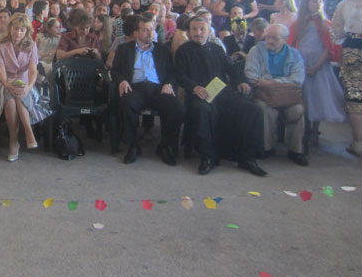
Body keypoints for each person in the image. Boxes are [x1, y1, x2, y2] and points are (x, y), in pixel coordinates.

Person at [174, 16, 266, 177]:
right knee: (202, 110)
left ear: (209, 31)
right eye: (194, 29)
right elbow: (180, 76)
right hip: (199, 95)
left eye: (202, 29)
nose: (198, 32)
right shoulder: (183, 51)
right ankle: (207, 157)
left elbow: (232, 68)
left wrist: (241, 81)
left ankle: (247, 157)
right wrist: (194, 87)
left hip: (223, 93)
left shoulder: (216, 49)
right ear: (189, 32)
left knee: (253, 109)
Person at [112, 15, 185, 166]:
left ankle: (166, 146)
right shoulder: (124, 49)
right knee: (126, 103)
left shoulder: (162, 49)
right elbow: (115, 71)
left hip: (158, 89)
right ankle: (133, 145)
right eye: (145, 30)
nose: (150, 33)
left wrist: (169, 83)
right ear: (136, 33)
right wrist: (122, 80)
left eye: (152, 29)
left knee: (177, 108)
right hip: (135, 88)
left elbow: (172, 72)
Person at [0, 14, 49, 161]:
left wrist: (28, 87)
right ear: (10, 28)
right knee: (10, 101)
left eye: (22, 29)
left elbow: (33, 70)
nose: (18, 32)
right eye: (15, 28)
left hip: (25, 82)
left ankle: (21, 136)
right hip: (5, 81)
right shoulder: (1, 44)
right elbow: (0, 70)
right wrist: (7, 84)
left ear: (27, 31)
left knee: (17, 97)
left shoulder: (31, 45)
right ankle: (18, 139)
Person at [244, 24, 307, 166]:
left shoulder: (294, 54)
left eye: (275, 38)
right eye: (268, 37)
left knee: (297, 110)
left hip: (287, 95)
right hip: (264, 94)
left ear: (285, 39)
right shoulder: (257, 50)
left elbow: (298, 78)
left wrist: (273, 82)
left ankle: (295, 150)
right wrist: (268, 85)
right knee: (264, 109)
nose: (270, 41)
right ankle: (267, 147)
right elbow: (250, 74)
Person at [289, 0, 347, 144]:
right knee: (303, 96)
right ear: (306, 3)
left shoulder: (325, 23)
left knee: (318, 96)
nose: (318, 4)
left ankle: (315, 129)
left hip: (319, 62)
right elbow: (292, 43)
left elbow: (328, 48)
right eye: (314, 1)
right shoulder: (299, 23)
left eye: (320, 1)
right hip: (301, 61)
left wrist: (316, 66)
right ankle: (303, 128)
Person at [331, 0, 362, 156]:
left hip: (353, 49)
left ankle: (358, 143)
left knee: (355, 96)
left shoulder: (346, 4)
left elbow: (336, 32)